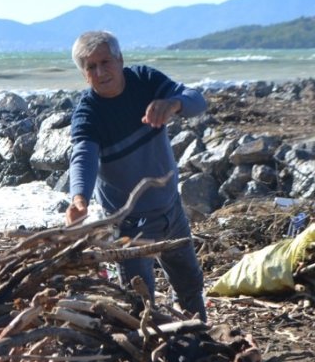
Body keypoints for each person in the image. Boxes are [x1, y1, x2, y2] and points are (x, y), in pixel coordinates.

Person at [66, 30, 208, 322]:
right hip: (129, 225)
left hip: (171, 210)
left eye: (105, 61)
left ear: (120, 59)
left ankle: (201, 338)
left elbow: (197, 100)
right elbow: (83, 156)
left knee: (190, 285)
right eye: (90, 67)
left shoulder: (144, 80)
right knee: (139, 302)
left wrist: (173, 104)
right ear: (84, 75)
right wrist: (79, 198)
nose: (100, 71)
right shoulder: (89, 113)